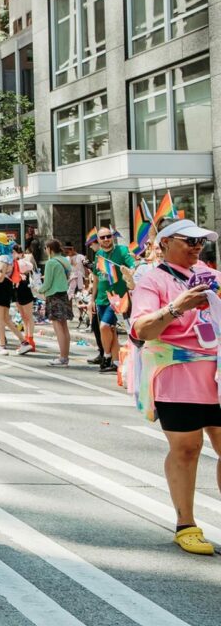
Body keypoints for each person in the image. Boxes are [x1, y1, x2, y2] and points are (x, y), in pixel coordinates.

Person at [128, 219, 221, 556]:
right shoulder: (153, 280)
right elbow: (141, 329)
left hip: (217, 372)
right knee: (187, 448)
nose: (197, 246)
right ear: (165, 243)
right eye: (189, 240)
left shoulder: (213, 278)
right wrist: (177, 306)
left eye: (201, 241)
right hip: (177, 373)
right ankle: (186, 524)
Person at [89, 225, 136, 374]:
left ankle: (106, 356)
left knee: (104, 326)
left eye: (109, 236)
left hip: (117, 298)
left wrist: (129, 271)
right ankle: (116, 362)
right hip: (101, 298)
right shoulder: (98, 255)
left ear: (112, 237)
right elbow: (96, 279)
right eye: (102, 237)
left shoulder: (122, 251)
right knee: (111, 330)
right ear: (98, 240)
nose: (106, 239)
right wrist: (92, 299)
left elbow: (133, 266)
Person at [0, 234, 26, 355]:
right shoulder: (7, 258)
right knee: (6, 319)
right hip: (5, 289)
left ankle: (2, 346)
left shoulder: (2, 259)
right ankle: (24, 342)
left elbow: (0, 277)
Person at [38, 239, 74, 366]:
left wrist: (38, 289)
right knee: (64, 327)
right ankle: (65, 356)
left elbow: (47, 283)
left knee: (58, 327)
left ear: (49, 249)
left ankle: (62, 357)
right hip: (64, 294)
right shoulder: (65, 260)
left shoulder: (51, 263)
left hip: (54, 295)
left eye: (45, 248)